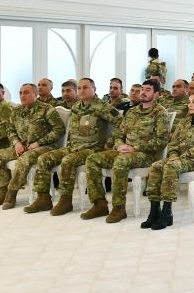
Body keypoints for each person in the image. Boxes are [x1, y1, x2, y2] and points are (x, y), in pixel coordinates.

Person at [24, 78, 121, 216]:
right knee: (44, 159)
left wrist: (110, 142)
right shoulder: (76, 106)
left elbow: (122, 123)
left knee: (68, 161)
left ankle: (67, 200)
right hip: (74, 146)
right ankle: (43, 198)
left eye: (86, 87)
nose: (82, 90)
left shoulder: (102, 107)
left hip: (92, 148)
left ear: (94, 89)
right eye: (79, 88)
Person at [81, 80, 169, 223]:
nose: (143, 92)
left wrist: (135, 148)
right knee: (92, 159)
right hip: (125, 151)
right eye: (142, 89)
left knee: (121, 161)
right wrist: (119, 145)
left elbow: (162, 141)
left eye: (148, 90)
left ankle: (119, 208)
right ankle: (99, 204)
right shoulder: (132, 112)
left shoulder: (160, 112)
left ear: (156, 94)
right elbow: (118, 134)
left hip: (146, 155)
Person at [141, 90, 194, 230]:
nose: (190, 104)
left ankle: (167, 212)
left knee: (171, 167)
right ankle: (154, 211)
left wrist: (180, 157)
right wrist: (173, 155)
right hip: (177, 158)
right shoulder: (184, 121)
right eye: (189, 102)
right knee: (155, 166)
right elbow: (174, 143)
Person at [0, 83, 65, 209]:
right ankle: (2, 192)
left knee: (24, 159)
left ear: (36, 94)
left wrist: (39, 143)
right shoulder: (16, 111)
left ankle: (11, 194)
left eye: (26, 92)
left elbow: (59, 130)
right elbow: (10, 130)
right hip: (22, 146)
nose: (22, 95)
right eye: (21, 93)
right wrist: (16, 143)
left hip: (45, 146)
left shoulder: (47, 109)